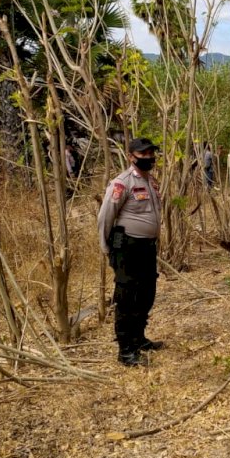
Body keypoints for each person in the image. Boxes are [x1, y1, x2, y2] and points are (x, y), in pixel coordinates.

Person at [98, 138, 163, 367]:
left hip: (147, 247)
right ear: (131, 156)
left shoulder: (151, 182)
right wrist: (106, 247)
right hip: (127, 248)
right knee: (127, 298)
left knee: (146, 294)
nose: (148, 158)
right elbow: (106, 216)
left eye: (150, 153)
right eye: (142, 154)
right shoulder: (122, 183)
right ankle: (125, 350)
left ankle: (139, 339)